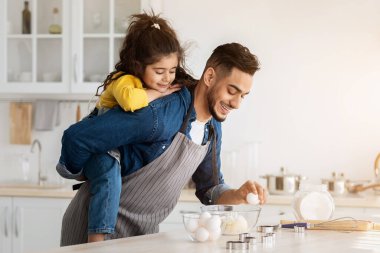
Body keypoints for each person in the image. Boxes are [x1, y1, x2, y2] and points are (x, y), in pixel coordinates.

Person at [58, 42, 266, 246]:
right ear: (210, 77)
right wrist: (83, 172)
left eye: (243, 96)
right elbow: (76, 138)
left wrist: (237, 195)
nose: (237, 104)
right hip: (94, 235)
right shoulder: (161, 114)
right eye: (232, 91)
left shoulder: (212, 128)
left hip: (141, 238)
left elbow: (209, 189)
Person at [57, 13, 191, 243]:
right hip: (101, 148)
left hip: (112, 148)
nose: (167, 79)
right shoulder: (125, 80)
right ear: (138, 66)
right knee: (108, 178)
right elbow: (130, 101)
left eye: (172, 70)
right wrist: (156, 93)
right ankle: (97, 240)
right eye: (159, 72)